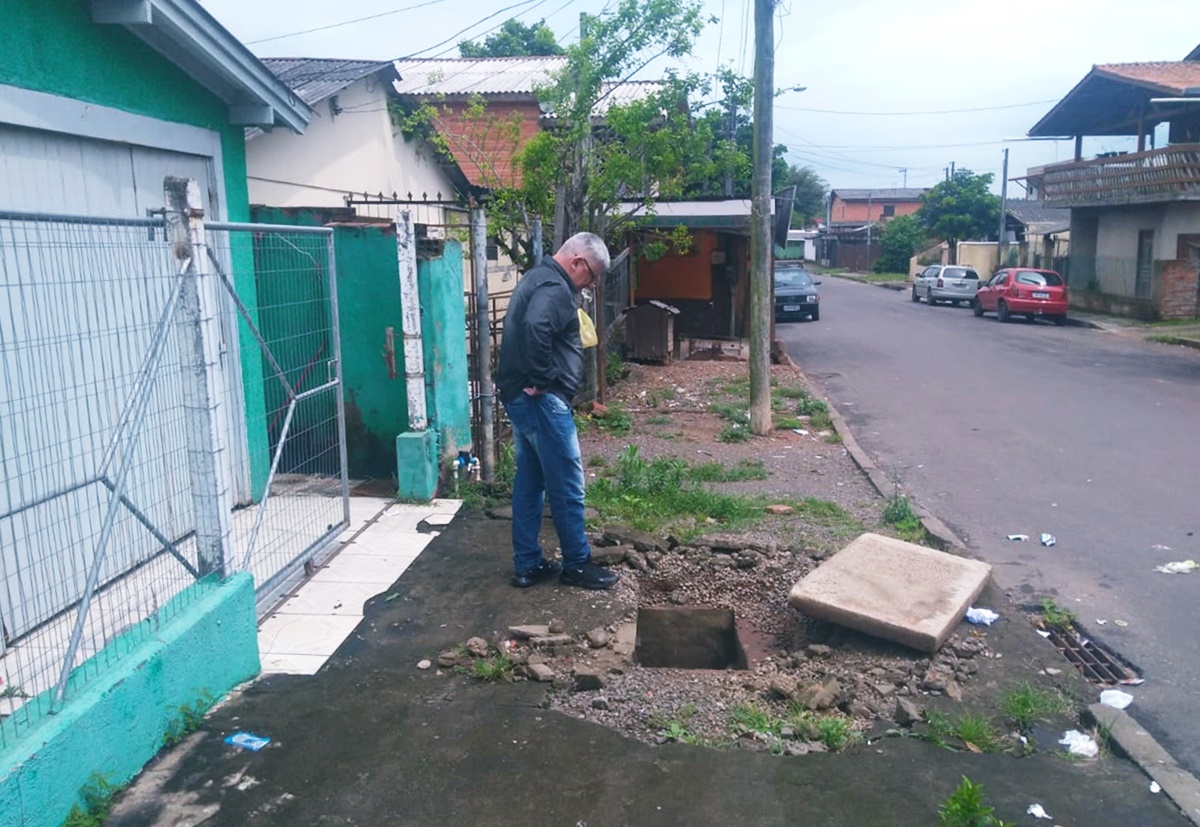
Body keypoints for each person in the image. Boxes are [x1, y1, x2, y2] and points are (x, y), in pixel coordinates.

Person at [494, 232, 618, 590]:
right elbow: (537, 326)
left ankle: (528, 563)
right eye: (592, 276)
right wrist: (543, 379)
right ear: (578, 262)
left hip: (522, 397)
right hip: (540, 401)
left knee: (531, 482)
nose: (591, 284)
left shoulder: (537, 276)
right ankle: (577, 565)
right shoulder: (555, 286)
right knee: (567, 484)